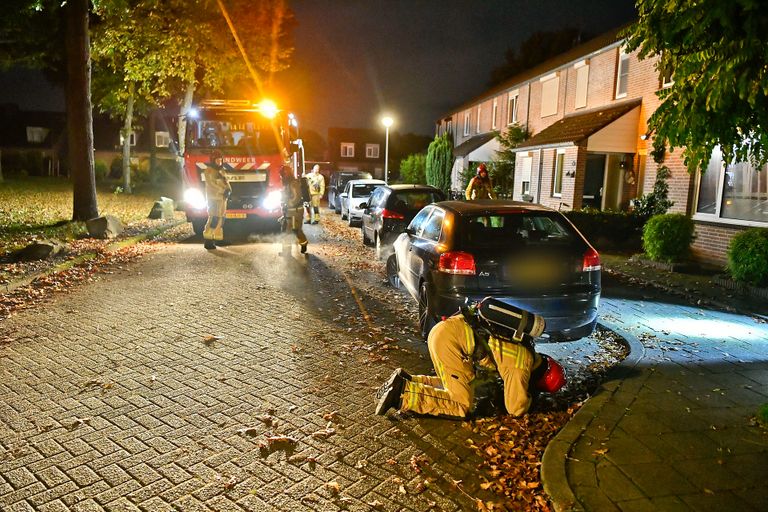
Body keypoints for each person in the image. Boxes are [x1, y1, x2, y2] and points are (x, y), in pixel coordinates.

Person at [375, 298, 565, 418]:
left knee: (463, 383)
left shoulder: (526, 348)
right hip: (449, 342)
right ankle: (404, 393)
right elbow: (515, 408)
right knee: (460, 404)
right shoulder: (520, 366)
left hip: (446, 331)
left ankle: (409, 380)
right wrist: (530, 401)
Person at [203, 150, 232, 250]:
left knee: (221, 218)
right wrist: (223, 190)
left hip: (222, 198)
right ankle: (208, 240)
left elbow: (226, 182)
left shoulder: (221, 170)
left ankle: (218, 238)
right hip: (214, 198)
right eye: (217, 160)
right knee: (214, 218)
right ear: (212, 160)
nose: (219, 162)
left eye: (221, 160)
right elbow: (212, 185)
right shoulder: (209, 171)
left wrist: (229, 190)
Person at [280, 168, 309, 254]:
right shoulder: (287, 184)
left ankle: (300, 244)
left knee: (293, 230)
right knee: (290, 230)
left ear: (286, 175)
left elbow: (297, 197)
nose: (281, 177)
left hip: (295, 211)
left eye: (282, 176)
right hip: (290, 211)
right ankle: (287, 250)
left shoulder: (293, 183)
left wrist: (288, 204)